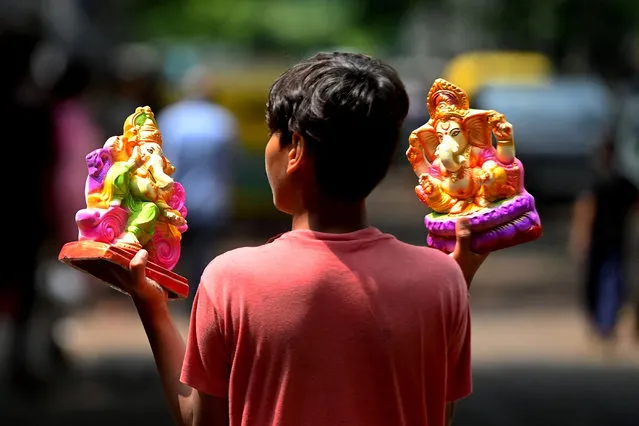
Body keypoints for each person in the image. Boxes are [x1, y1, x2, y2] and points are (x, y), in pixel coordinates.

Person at [111, 52, 487, 426]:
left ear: (296, 150)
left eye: (275, 135)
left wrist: (152, 307)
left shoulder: (230, 280)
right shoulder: (442, 280)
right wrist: (456, 281)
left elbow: (200, 420)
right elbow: (434, 412)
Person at [156, 65, 239, 306]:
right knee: (202, 255)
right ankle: (196, 302)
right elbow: (229, 165)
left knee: (172, 251)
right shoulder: (222, 120)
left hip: (175, 201)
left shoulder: (171, 118)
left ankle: (174, 299)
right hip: (212, 199)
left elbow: (163, 163)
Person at [569, 137, 638, 347]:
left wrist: (580, 237)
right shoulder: (618, 182)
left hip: (609, 242)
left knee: (608, 282)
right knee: (606, 282)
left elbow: (585, 211)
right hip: (609, 241)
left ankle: (605, 325)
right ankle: (604, 324)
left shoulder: (601, 182)